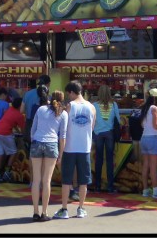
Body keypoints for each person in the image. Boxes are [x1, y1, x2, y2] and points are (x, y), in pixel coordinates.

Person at [54, 81, 95, 219]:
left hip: (69, 148)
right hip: (85, 147)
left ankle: (64, 209)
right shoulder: (91, 107)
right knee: (84, 181)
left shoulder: (70, 106)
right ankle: (81, 208)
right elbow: (92, 127)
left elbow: (63, 127)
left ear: (71, 92)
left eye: (68, 94)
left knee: (66, 180)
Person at [29, 86, 67, 222]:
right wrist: (61, 154)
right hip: (51, 144)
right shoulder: (63, 113)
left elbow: (33, 129)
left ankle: (35, 212)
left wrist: (34, 140)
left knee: (36, 180)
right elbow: (62, 137)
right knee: (47, 181)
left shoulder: (41, 109)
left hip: (37, 142)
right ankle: (44, 212)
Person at [91, 85, 121, 193]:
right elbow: (118, 120)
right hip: (109, 133)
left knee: (98, 160)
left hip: (98, 133)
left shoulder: (94, 105)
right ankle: (110, 186)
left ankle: (97, 186)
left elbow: (92, 120)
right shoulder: (113, 104)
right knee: (109, 160)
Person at [0, 97, 26, 182]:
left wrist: (17, 130)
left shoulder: (10, 109)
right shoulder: (19, 115)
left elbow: (11, 122)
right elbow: (23, 129)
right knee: (13, 152)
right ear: (21, 105)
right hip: (5, 133)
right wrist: (23, 133)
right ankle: (7, 172)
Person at [23, 75, 50, 145]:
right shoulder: (48, 97)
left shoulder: (27, 94)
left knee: (30, 146)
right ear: (48, 84)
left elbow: (21, 110)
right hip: (43, 126)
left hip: (29, 123)